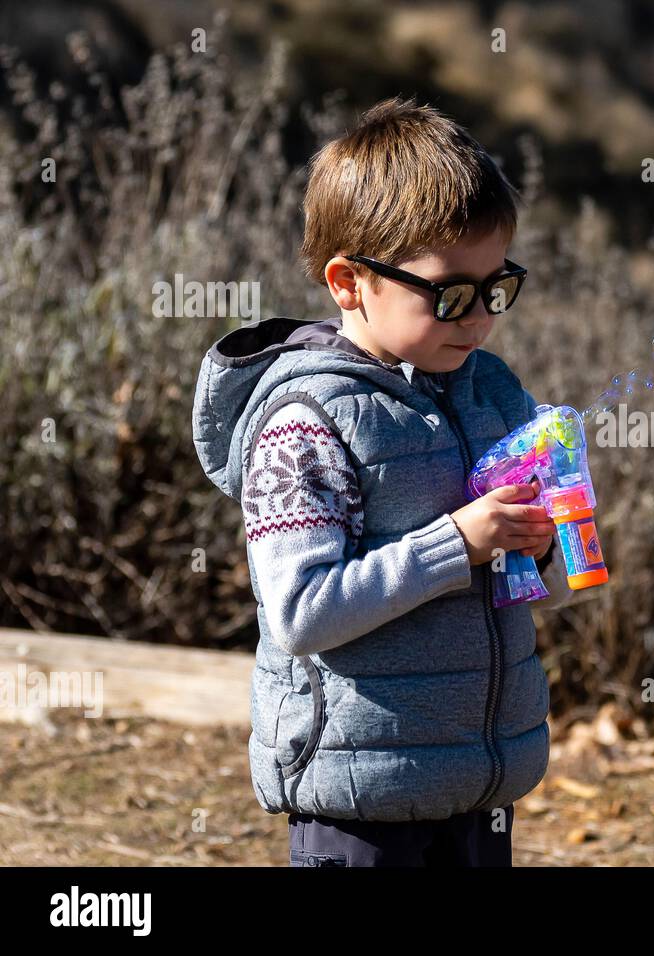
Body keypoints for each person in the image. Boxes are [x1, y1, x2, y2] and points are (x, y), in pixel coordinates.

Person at [191, 97, 587, 866]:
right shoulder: (305, 423)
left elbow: (527, 579)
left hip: (478, 782)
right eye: (448, 293)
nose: (476, 320)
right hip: (358, 795)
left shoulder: (487, 392)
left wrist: (536, 543)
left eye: (496, 287)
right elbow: (302, 612)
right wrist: (458, 543)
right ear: (349, 281)